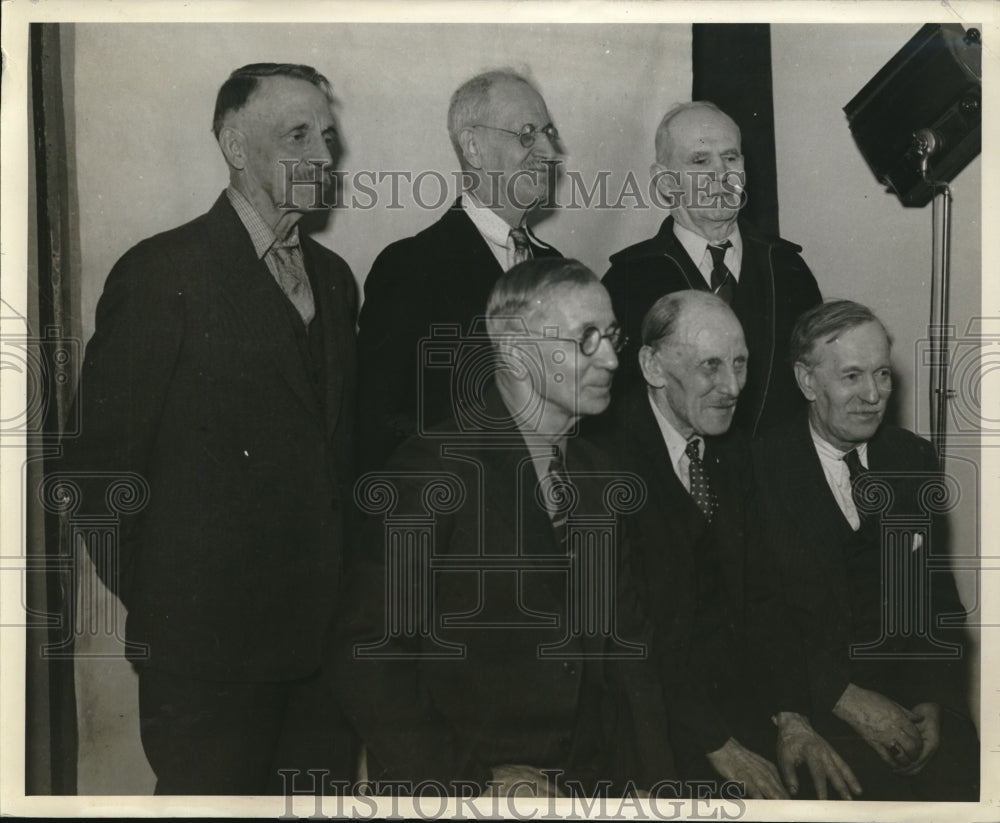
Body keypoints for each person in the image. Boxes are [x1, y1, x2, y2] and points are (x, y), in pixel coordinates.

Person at [61, 63, 358, 794]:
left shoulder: (336, 277)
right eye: (298, 135)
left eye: (326, 135)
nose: (324, 156)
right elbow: (93, 474)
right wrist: (169, 604)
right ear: (234, 143)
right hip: (206, 663)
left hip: (326, 659)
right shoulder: (164, 273)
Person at [335, 259, 672, 796]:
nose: (610, 358)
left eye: (611, 336)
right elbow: (369, 657)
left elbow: (631, 660)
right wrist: (469, 784)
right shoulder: (429, 471)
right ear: (515, 352)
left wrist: (660, 797)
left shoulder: (600, 476)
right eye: (584, 339)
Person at [607, 290, 860, 799]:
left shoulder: (734, 452)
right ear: (653, 366)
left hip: (740, 703)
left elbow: (766, 595)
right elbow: (631, 641)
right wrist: (719, 745)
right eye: (710, 366)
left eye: (740, 364)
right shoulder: (606, 461)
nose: (732, 387)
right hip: (645, 723)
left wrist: (793, 719)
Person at [753, 300, 979, 800]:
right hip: (811, 705)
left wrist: (933, 701)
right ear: (807, 382)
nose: (873, 395)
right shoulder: (758, 468)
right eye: (852, 376)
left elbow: (938, 603)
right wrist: (840, 696)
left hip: (911, 703)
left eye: (881, 374)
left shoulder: (911, 458)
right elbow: (755, 617)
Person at [357, 69, 563, 472]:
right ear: (473, 147)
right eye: (526, 134)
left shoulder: (556, 267)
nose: (549, 151)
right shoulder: (411, 267)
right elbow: (380, 426)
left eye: (548, 132)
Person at [602, 101, 821, 438]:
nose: (722, 175)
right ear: (664, 181)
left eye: (731, 158)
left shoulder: (788, 267)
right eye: (700, 161)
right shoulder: (628, 280)